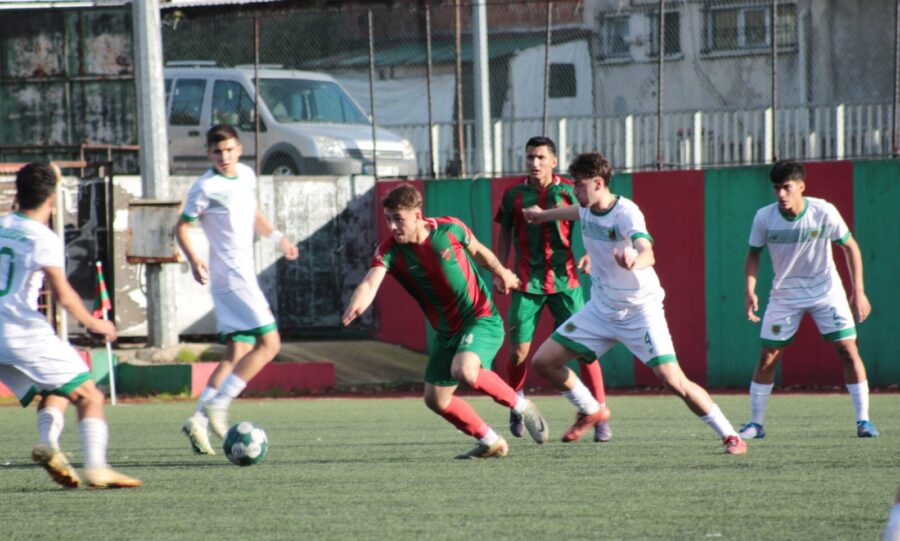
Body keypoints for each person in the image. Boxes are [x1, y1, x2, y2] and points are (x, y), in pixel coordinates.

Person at [524, 152, 748, 454]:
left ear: (598, 183)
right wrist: (543, 216)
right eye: (573, 184)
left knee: (673, 380)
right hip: (601, 311)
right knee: (543, 362)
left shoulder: (626, 212)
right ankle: (591, 409)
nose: (574, 190)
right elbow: (576, 212)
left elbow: (647, 252)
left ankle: (731, 435)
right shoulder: (587, 207)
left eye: (579, 185)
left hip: (640, 311)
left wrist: (633, 261)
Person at [342, 183, 549, 459]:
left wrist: (501, 272)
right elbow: (370, 282)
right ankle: (491, 441)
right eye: (388, 219)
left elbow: (479, 251)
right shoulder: (389, 250)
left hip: (480, 319)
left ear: (417, 215)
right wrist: (358, 301)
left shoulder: (449, 229)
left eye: (398, 219)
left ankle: (522, 406)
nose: (392, 226)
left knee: (464, 370)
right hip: (447, 333)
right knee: (436, 399)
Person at [0, 162, 141, 488]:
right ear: (52, 199)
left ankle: (49, 444)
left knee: (58, 387)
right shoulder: (42, 238)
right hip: (21, 333)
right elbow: (63, 294)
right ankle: (97, 467)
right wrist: (95, 322)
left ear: (17, 194)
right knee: (90, 395)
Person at [178, 124, 299, 455]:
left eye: (229, 150)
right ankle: (220, 404)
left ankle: (199, 419)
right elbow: (182, 227)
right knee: (271, 344)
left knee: (238, 351)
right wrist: (194, 259)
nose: (224, 156)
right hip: (232, 278)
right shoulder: (205, 187)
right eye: (217, 151)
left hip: (240, 275)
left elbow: (254, 214)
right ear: (208, 153)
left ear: (239, 149)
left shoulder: (246, 176)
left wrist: (279, 238)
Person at [739, 160, 878, 440]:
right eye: (776, 188)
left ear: (801, 187)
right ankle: (755, 424)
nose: (781, 194)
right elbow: (753, 254)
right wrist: (750, 290)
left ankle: (863, 420)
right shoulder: (764, 217)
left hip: (826, 292)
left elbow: (850, 246)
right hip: (785, 296)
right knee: (767, 357)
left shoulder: (823, 211)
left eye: (787, 187)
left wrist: (859, 290)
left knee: (848, 350)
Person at [494, 136, 611, 442]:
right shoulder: (513, 194)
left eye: (541, 157)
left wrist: (590, 254)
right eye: (530, 157)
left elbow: (593, 221)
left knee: (586, 350)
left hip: (565, 282)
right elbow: (504, 231)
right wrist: (500, 270)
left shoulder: (570, 191)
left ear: (554, 161)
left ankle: (599, 412)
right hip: (526, 282)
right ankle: (517, 404)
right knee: (518, 352)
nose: (535, 163)